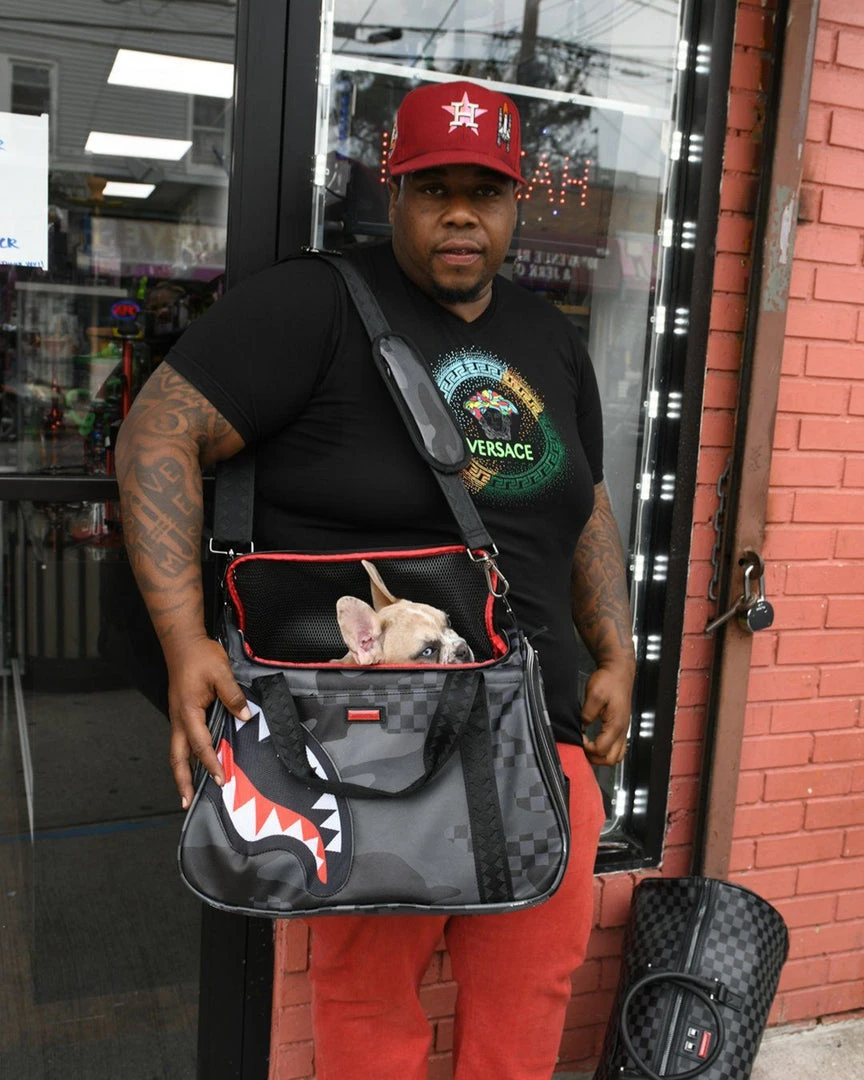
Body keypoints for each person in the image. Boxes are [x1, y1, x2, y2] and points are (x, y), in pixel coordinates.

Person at [116, 79, 635, 1080]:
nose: (460, 214)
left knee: (527, 1003)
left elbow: (588, 505)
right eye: (433, 190)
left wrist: (614, 648)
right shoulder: (312, 306)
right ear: (391, 195)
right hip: (373, 741)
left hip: (541, 733)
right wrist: (185, 642)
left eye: (484, 193)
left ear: (515, 204)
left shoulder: (551, 340)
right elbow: (156, 436)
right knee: (367, 1011)